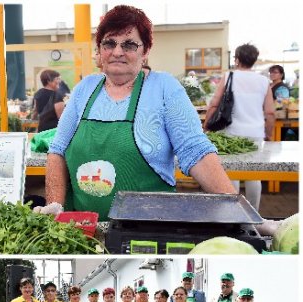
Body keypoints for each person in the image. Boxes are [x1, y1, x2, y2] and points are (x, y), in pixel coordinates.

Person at [39, 5, 236, 221]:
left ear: (146, 51)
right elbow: (57, 150)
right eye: (109, 43)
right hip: (83, 229)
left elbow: (196, 152)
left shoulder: (164, 88)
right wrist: (55, 203)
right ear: (100, 49)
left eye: (129, 44)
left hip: (147, 230)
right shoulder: (84, 89)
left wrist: (238, 211)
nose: (117, 52)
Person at [205, 44, 274, 211]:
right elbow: (270, 113)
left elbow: (214, 104)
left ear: (236, 58)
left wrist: (206, 126)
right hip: (255, 134)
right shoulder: (264, 81)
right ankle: (253, 213)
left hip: (231, 132)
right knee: (254, 175)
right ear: (254, 60)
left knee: (231, 173)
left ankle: (232, 212)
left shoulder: (229, 76)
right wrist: (269, 134)